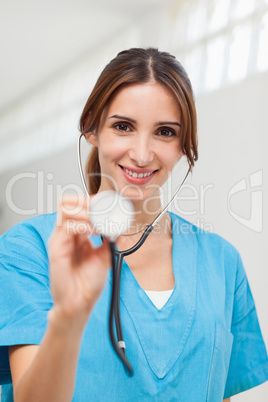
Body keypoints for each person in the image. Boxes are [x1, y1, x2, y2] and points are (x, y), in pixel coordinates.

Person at [0, 48, 267, 402]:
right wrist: (68, 315)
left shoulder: (222, 261)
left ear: (184, 146)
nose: (142, 154)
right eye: (123, 126)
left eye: (165, 132)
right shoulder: (28, 249)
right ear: (91, 128)